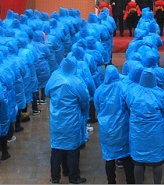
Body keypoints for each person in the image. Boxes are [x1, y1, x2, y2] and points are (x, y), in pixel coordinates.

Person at [47, 57, 89, 185]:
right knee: (72, 149)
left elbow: (47, 92)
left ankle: (55, 177)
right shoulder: (75, 82)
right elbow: (84, 99)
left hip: (56, 119)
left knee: (56, 147)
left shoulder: (54, 78)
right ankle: (73, 177)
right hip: (71, 120)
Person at [125, 69, 164, 184]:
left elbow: (128, 104)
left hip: (137, 132)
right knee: (157, 161)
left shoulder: (133, 92)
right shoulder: (159, 93)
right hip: (155, 132)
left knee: (138, 161)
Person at [94, 65, 135, 184]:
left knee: (109, 158)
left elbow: (97, 107)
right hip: (122, 128)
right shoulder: (124, 88)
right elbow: (130, 106)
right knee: (126, 156)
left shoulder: (99, 90)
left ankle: (111, 181)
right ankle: (130, 180)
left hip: (106, 128)